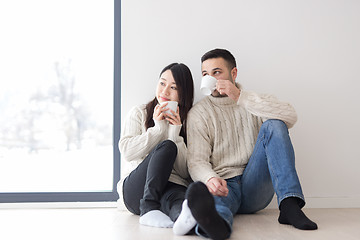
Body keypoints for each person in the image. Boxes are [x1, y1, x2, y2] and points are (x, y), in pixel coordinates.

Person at [174, 49, 317, 240]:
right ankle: (217, 226)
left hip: (255, 183)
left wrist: (241, 97)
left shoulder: (253, 101)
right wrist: (210, 179)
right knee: (216, 205)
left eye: (216, 72)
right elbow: (196, 161)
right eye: (205, 74)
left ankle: (290, 205)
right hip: (225, 183)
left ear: (233, 73)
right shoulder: (199, 113)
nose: (211, 78)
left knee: (274, 124)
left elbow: (291, 116)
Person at [118, 63, 194, 228]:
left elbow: (184, 171)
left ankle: (187, 223)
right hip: (136, 191)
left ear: (183, 94)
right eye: (162, 83)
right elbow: (127, 152)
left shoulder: (190, 121)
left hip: (170, 187)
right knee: (167, 147)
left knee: (180, 202)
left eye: (173, 87)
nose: (165, 91)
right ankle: (148, 209)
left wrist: (175, 132)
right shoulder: (140, 113)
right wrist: (158, 130)